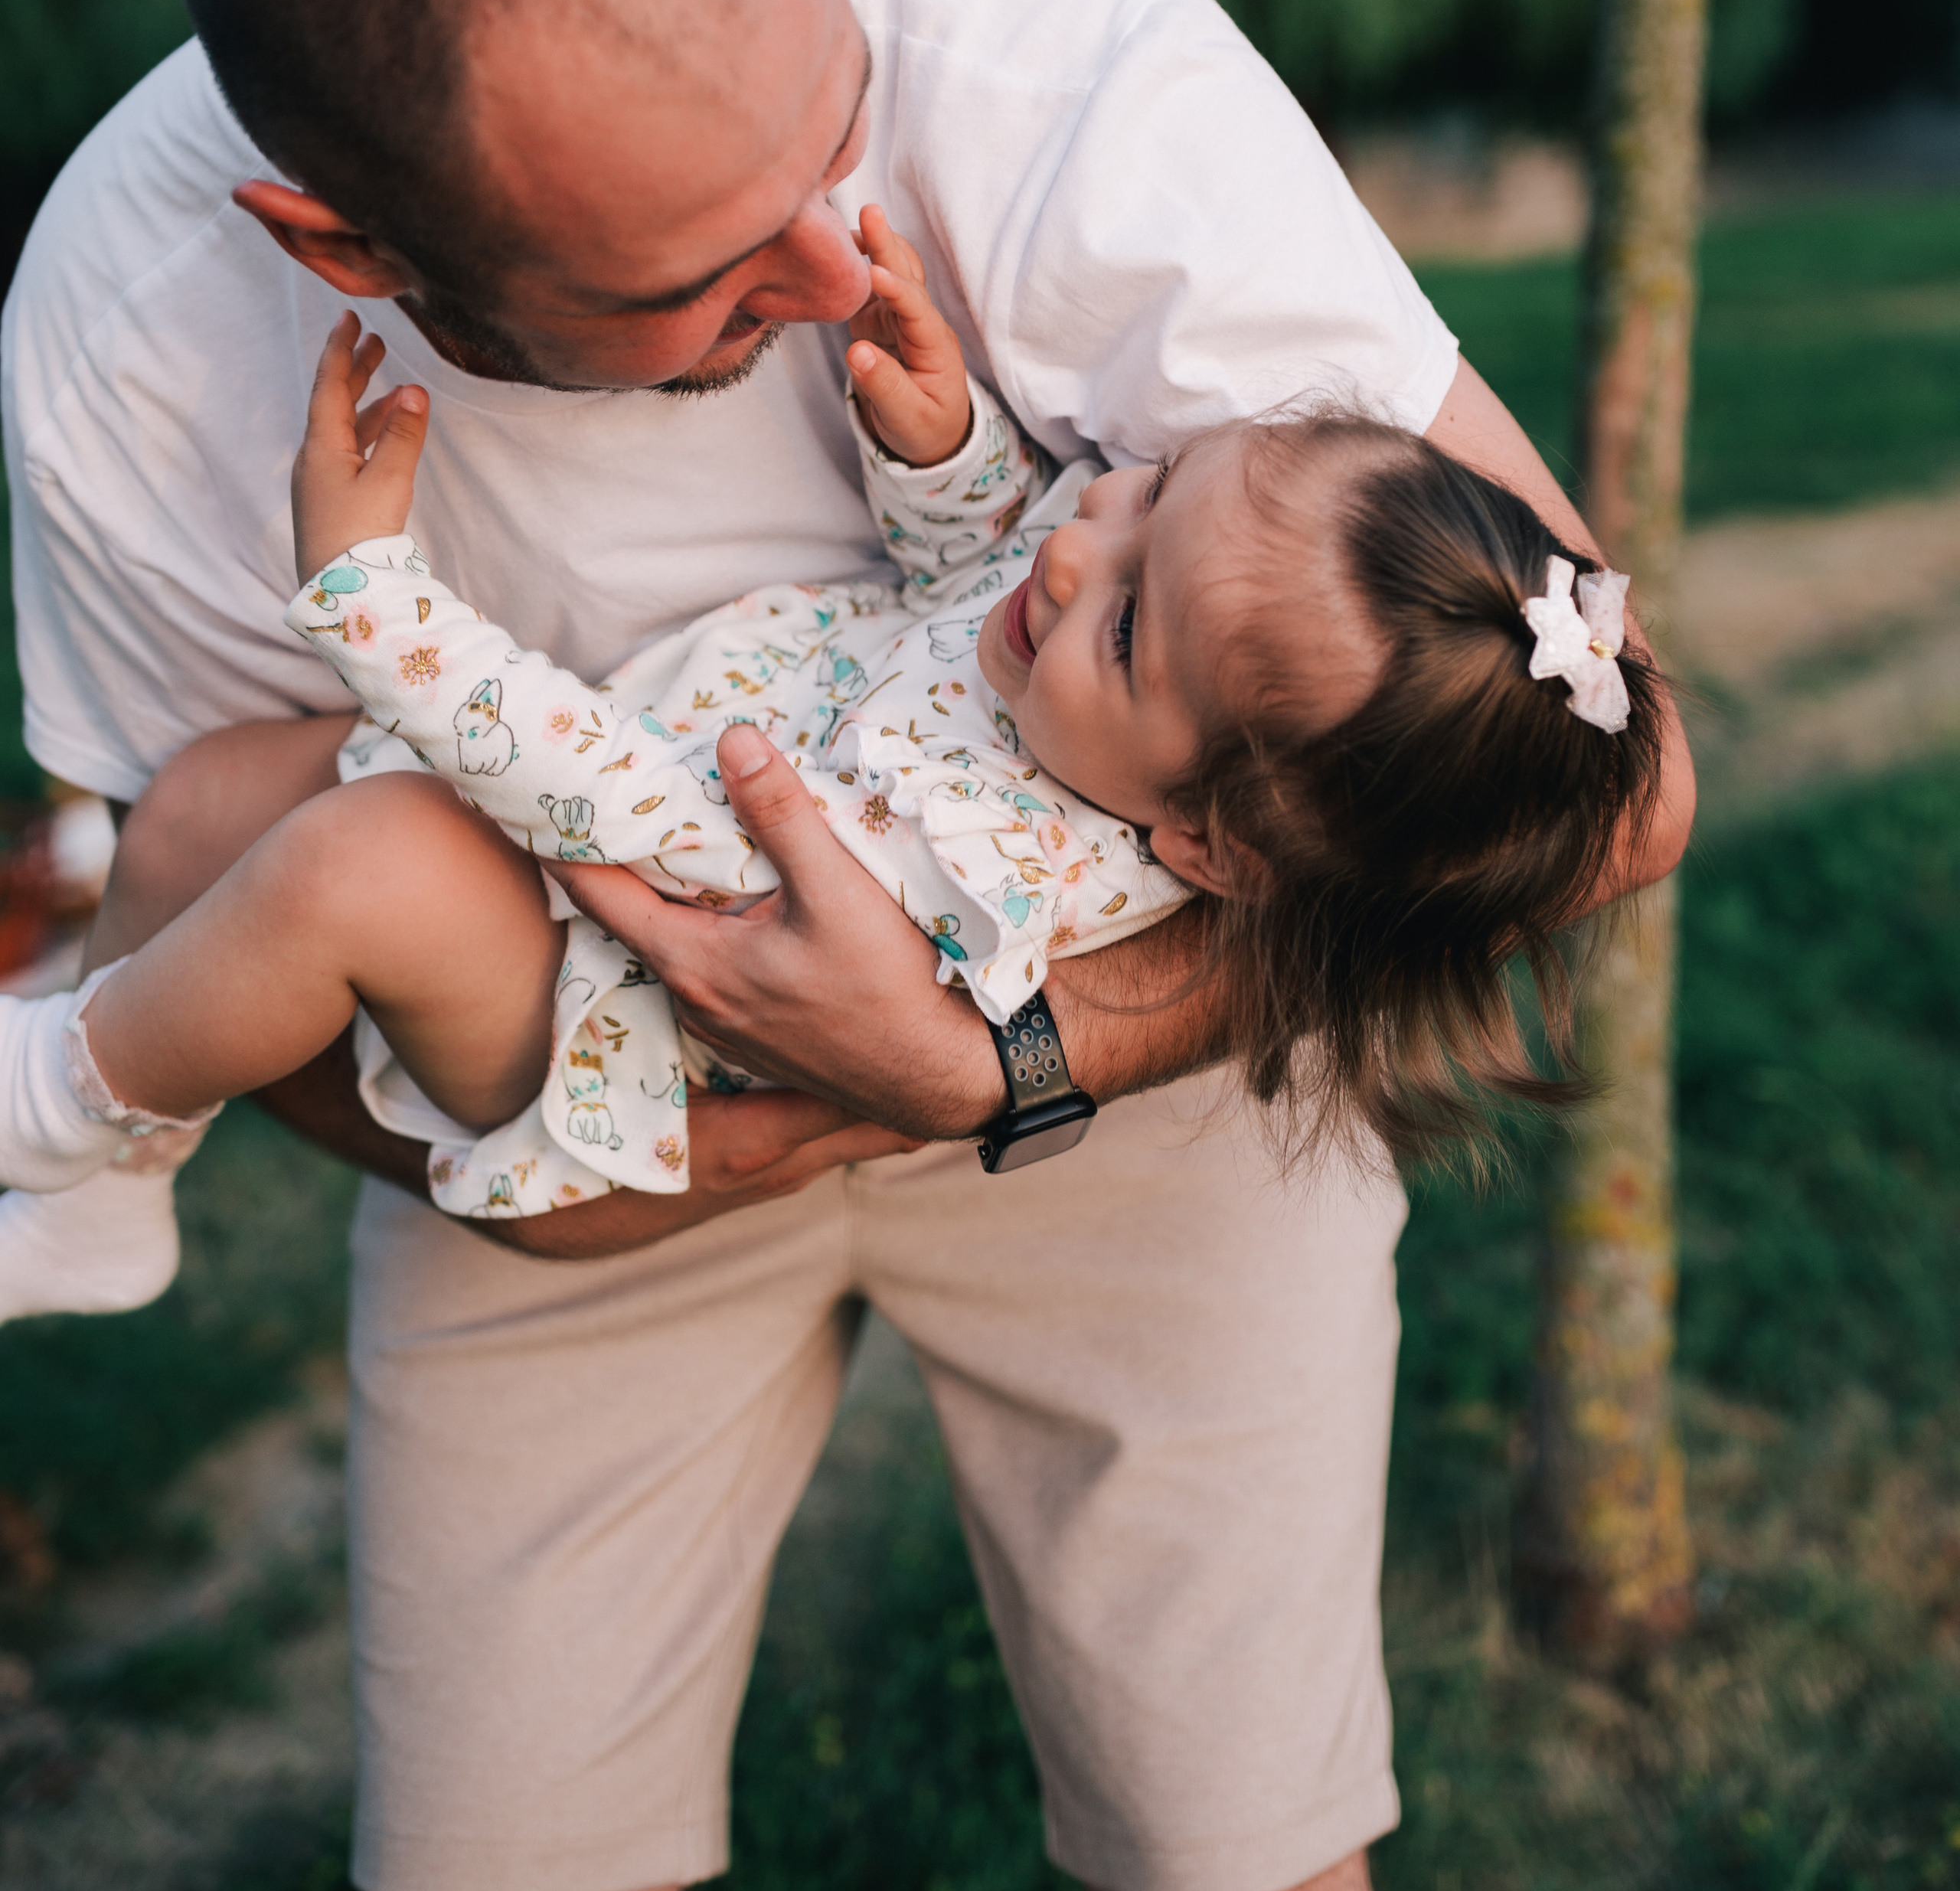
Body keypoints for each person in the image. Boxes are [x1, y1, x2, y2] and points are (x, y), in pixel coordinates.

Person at [1, 0, 1694, 1891]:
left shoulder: (1045, 49)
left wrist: (1004, 1052)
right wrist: (598, 1173)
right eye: (708, 271)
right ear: (348, 241)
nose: (831, 249)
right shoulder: (124, 333)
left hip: (1124, 1066)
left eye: (834, 150)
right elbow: (239, 859)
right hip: (556, 1113)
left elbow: (1616, 774)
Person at [0, 236, 1666, 1249]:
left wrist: (375, 598)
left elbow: (646, 826)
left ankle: (60, 1102)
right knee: (198, 805)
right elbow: (977, 600)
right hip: (573, 855)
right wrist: (937, 449)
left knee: (359, 862)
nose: (1075, 545)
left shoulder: (1002, 868)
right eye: (1150, 490)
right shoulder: (1094, 689)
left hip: (599, 991)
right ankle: (117, 1170)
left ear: (1207, 849)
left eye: (1127, 618)